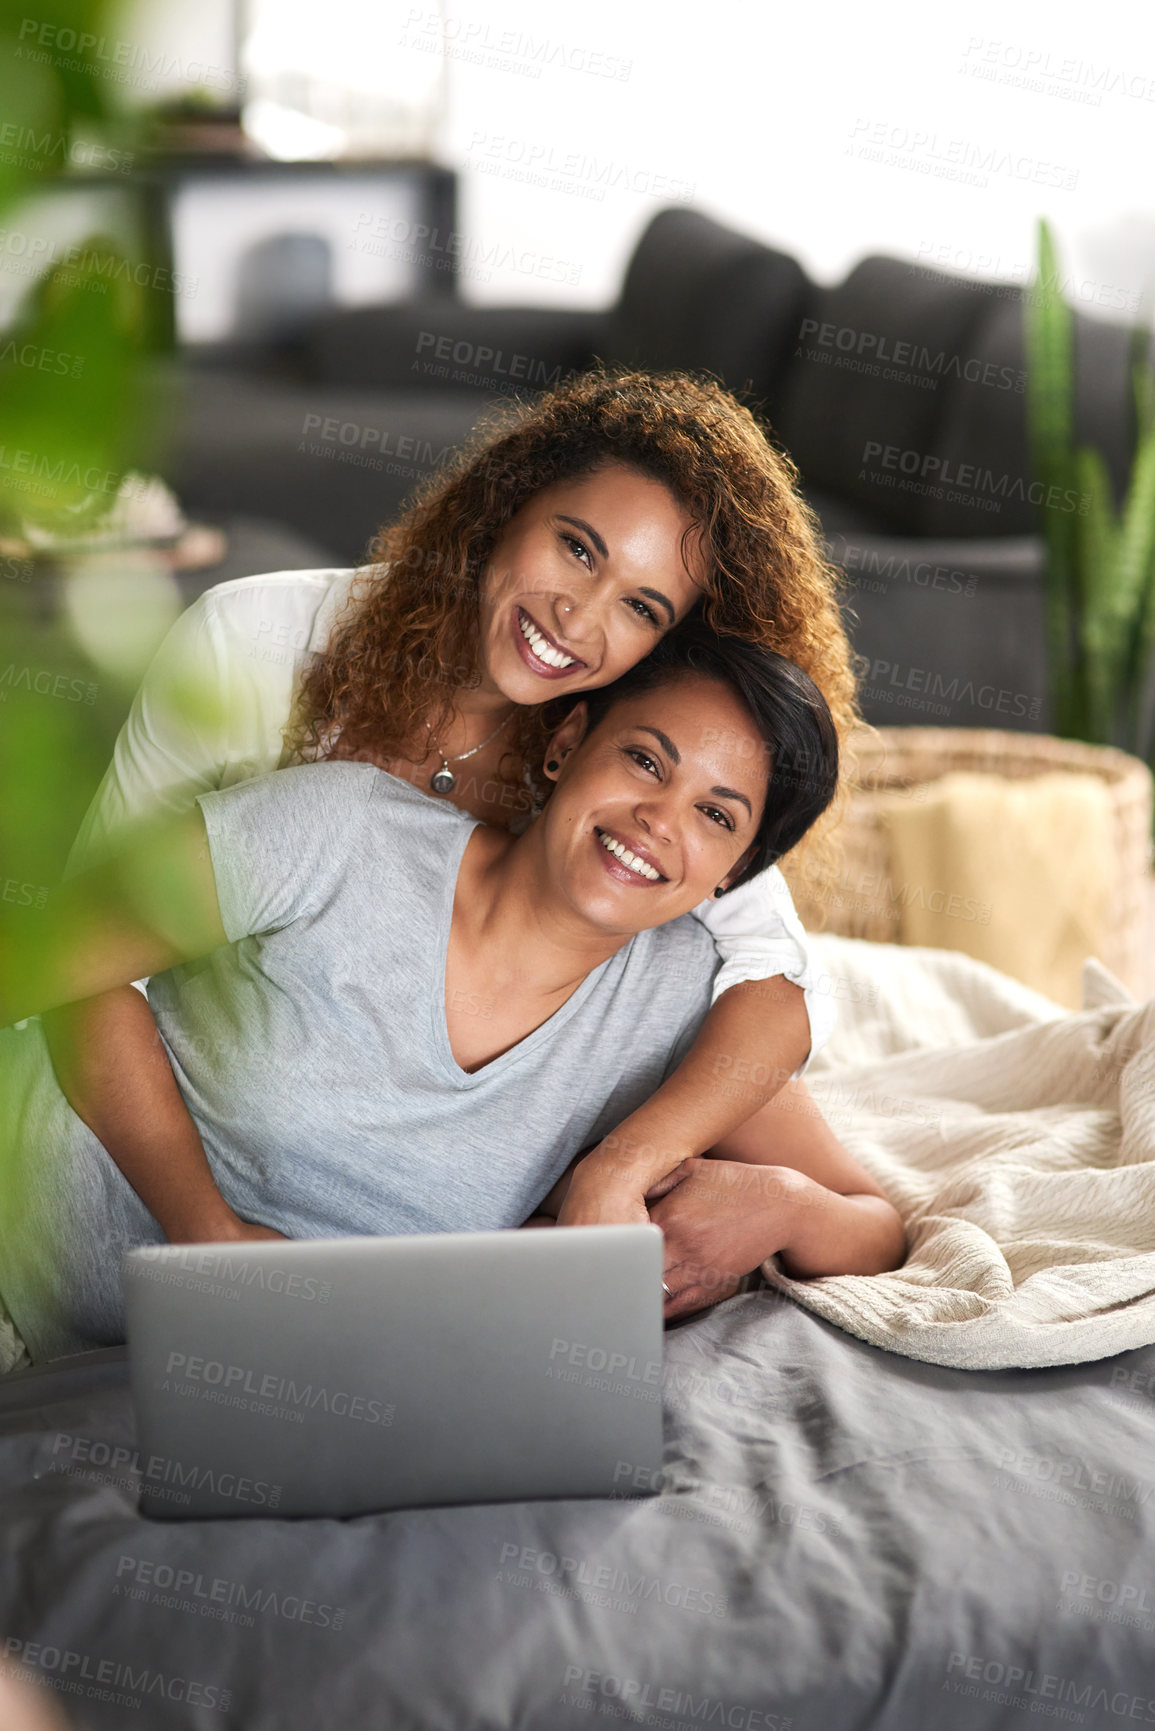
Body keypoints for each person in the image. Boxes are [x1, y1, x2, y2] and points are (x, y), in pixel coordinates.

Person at [40, 367, 863, 1251]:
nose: (576, 618)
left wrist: (624, 1164)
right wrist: (207, 1229)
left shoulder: (634, 771)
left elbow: (769, 978)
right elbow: (78, 957)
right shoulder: (251, 649)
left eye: (640, 606)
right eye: (577, 548)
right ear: (507, 504)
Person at [0, 626, 904, 1367]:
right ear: (564, 745)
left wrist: (780, 1202)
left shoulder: (674, 1014)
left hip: (258, 1395)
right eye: (642, 760)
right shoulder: (339, 831)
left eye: (716, 815)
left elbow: (873, 1230)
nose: (658, 821)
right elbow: (56, 967)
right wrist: (207, 1232)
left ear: (733, 873)